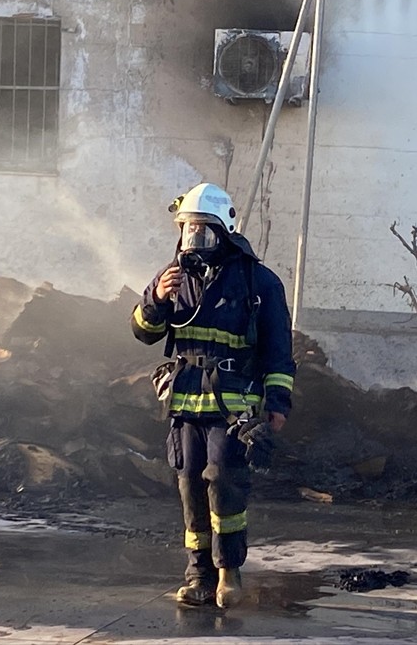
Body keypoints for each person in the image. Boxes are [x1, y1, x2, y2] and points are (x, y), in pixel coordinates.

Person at [131, 182, 295, 609]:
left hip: (232, 404)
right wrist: (156, 302)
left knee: (224, 483)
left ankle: (229, 571)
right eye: (187, 232)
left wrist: (277, 403)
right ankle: (198, 573)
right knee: (189, 487)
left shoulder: (258, 282)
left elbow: (278, 350)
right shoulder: (172, 279)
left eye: (203, 233)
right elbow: (143, 333)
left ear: (225, 232)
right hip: (185, 405)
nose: (193, 243)